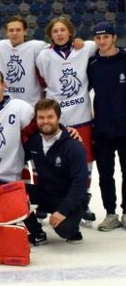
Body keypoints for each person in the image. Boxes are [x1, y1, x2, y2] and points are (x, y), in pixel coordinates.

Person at [35, 16, 96, 221]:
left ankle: (83, 200)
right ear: (50, 35)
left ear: (70, 32)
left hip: (82, 116)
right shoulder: (44, 56)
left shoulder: (85, 48)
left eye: (63, 30)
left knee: (84, 162)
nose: (59, 34)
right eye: (55, 31)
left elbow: (103, 47)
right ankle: (45, 201)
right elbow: (44, 79)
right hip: (54, 120)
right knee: (50, 161)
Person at [23, 99, 88, 245]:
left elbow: (80, 183)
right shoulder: (34, 142)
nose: (45, 121)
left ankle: (73, 226)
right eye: (41, 117)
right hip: (46, 194)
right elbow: (16, 158)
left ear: (58, 118)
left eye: (50, 117)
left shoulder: (72, 145)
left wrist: (63, 212)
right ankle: (37, 232)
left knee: (66, 231)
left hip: (68, 197)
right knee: (16, 193)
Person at [88, 22, 126, 231]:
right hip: (102, 129)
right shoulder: (92, 64)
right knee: (105, 175)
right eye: (98, 38)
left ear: (114, 37)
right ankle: (110, 213)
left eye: (106, 37)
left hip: (125, 129)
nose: (102, 41)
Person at [0, 16, 47, 106]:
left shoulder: (36, 46)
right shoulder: (0, 46)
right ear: (7, 32)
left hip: (31, 103)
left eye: (18, 30)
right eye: (11, 30)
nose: (14, 33)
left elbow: (57, 49)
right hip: (7, 103)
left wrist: (75, 44)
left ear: (25, 31)